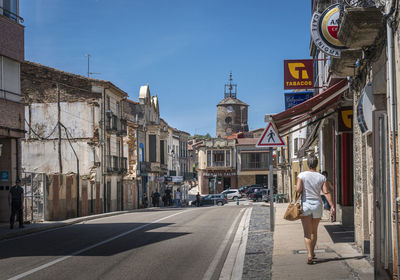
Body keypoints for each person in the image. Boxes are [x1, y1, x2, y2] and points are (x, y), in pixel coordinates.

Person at [295, 155, 335, 264]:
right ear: (316, 164)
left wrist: (300, 187)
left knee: (307, 233)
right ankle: (312, 253)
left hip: (306, 205)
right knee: (314, 232)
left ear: (308, 164)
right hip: (317, 205)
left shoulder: (302, 175)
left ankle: (309, 256)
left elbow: (298, 189)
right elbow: (326, 192)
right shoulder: (321, 177)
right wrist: (332, 205)